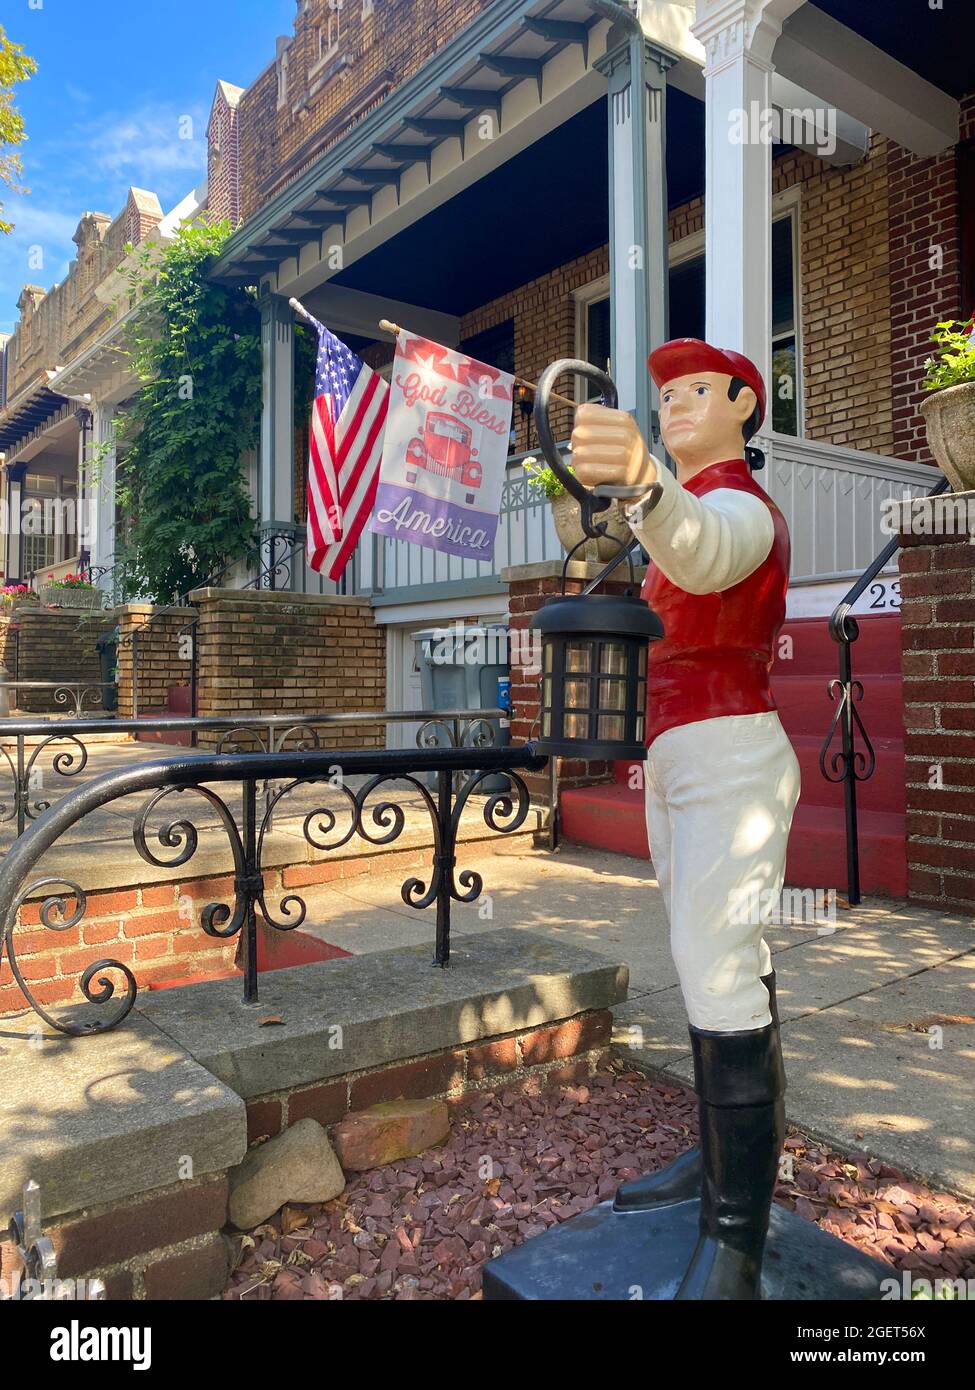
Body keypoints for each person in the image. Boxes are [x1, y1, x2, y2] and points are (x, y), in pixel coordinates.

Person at [569, 338, 801, 1299]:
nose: (674, 404)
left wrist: (645, 487)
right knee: (717, 961)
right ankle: (716, 1174)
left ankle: (735, 1241)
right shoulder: (679, 512)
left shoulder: (740, 507)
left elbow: (705, 551)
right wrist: (628, 512)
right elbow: (672, 552)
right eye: (666, 393)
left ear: (746, 406)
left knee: (715, 970)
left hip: (728, 752)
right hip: (677, 756)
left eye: (699, 390)